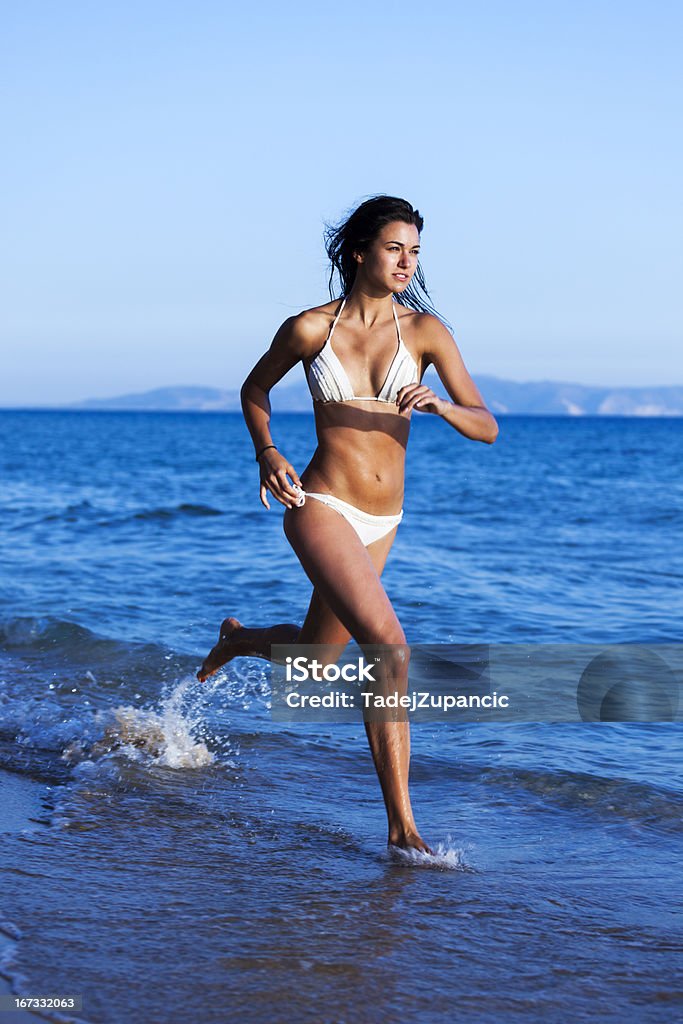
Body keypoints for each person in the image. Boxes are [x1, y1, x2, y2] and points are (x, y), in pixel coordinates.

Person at [198, 196, 498, 854]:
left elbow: (488, 426)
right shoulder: (310, 329)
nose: (406, 262)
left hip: (384, 518)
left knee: (314, 661)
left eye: (414, 252)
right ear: (361, 250)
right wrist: (268, 452)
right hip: (320, 505)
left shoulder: (424, 332)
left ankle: (238, 640)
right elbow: (254, 390)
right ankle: (402, 828)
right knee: (388, 646)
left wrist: (443, 407)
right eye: (395, 248)